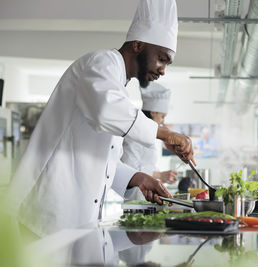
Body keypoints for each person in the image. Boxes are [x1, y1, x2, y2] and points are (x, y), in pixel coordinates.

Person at [6, 0, 194, 238]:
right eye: (162, 58)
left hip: (72, 223)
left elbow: (103, 160)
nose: (163, 69)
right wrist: (165, 133)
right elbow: (105, 110)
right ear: (138, 44)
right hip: (42, 216)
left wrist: (138, 178)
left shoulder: (118, 86)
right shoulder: (100, 63)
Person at [117, 82, 177, 201]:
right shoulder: (135, 134)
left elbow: (148, 165)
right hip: (136, 198)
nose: (163, 122)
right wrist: (160, 175)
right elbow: (130, 167)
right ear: (153, 112)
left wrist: (163, 177)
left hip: (146, 196)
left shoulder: (149, 136)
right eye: (162, 116)